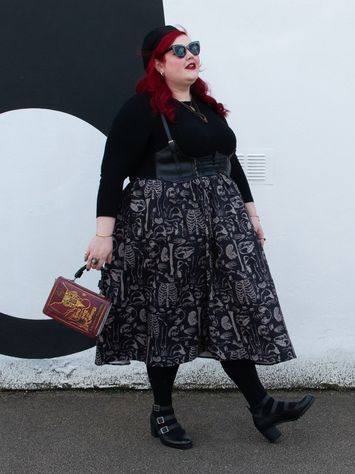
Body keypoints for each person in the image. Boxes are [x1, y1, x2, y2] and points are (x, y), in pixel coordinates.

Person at [84, 25, 314, 450]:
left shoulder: (206, 107)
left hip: (222, 227)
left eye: (194, 47)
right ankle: (162, 412)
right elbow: (112, 173)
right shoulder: (140, 110)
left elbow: (231, 163)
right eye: (178, 50)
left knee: (230, 308)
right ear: (157, 63)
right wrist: (104, 235)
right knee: (167, 317)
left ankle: (260, 403)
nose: (190, 54)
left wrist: (252, 214)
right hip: (164, 230)